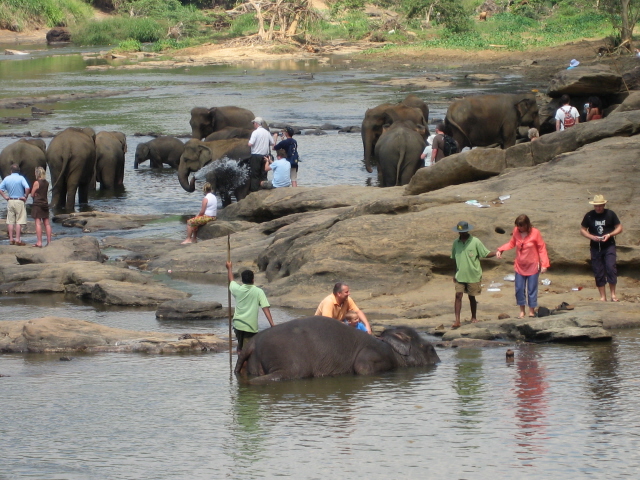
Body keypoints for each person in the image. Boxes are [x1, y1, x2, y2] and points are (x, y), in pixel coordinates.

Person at [496, 215, 550, 318]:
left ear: (527, 225)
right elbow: (511, 243)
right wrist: (501, 249)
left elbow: (542, 248)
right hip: (520, 265)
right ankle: (522, 311)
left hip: (533, 265)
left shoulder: (535, 233)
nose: (519, 228)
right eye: (518, 226)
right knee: (519, 288)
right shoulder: (516, 231)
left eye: (521, 226)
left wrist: (544, 264)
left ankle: (531, 311)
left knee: (531, 289)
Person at [451, 221, 496, 329]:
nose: (461, 234)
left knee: (472, 296)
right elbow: (455, 259)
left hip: (473, 274)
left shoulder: (475, 241)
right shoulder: (456, 243)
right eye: (459, 232)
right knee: (458, 295)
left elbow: (485, 253)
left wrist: (497, 252)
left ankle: (473, 317)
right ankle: (457, 320)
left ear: (467, 231)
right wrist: (454, 273)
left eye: (463, 231)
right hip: (460, 274)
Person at [580, 194, 623, 302]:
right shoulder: (589, 216)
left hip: (609, 245)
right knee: (598, 270)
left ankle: (613, 295)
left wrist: (609, 235)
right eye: (596, 206)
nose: (598, 208)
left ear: (604, 205)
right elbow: (582, 229)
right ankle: (603, 297)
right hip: (595, 246)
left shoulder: (610, 214)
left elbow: (619, 227)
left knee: (611, 267)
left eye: (600, 205)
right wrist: (591, 237)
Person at [226, 260, 275, 353]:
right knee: (248, 351)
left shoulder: (237, 289)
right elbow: (265, 308)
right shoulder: (258, 291)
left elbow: (231, 280)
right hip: (250, 326)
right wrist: (272, 324)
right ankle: (243, 367)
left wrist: (229, 268)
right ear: (253, 279)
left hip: (238, 324)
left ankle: (240, 363)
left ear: (242, 280)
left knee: (240, 348)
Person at [0, 164, 31, 246]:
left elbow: (0, 189)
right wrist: (25, 196)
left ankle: (11, 239)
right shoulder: (21, 178)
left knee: (10, 221)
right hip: (19, 201)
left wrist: (5, 197)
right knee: (19, 221)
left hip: (10, 200)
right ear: (19, 171)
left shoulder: (7, 178)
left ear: (11, 171)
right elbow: (27, 188)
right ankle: (17, 239)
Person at [248, 117, 274, 192]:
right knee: (264, 174)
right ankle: (264, 189)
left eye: (253, 123)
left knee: (255, 175)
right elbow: (272, 143)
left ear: (256, 123)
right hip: (265, 156)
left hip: (255, 155)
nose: (253, 124)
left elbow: (250, 144)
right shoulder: (267, 132)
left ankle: (254, 191)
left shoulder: (255, 132)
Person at [30, 166, 51, 248]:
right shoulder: (47, 182)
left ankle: (39, 242)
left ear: (37, 173)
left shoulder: (36, 182)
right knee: (47, 224)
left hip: (37, 204)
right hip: (45, 204)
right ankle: (49, 241)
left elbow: (32, 194)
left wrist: (34, 194)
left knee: (38, 223)